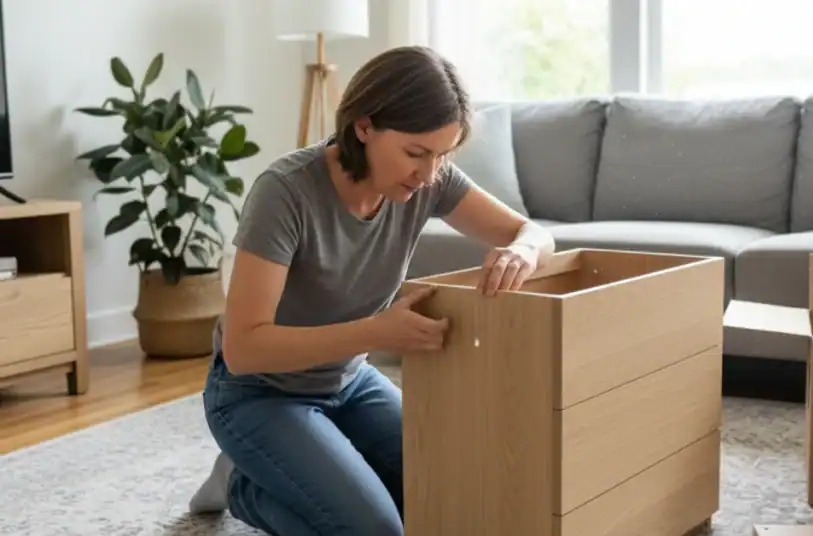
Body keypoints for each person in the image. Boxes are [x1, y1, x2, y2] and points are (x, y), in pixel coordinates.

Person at [186, 45, 556, 536]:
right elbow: (244, 348)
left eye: (442, 155)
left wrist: (523, 252)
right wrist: (377, 332)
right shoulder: (285, 192)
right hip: (258, 393)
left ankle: (293, 465)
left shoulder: (430, 179)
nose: (428, 175)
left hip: (348, 380)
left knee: (450, 495)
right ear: (364, 127)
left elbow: (533, 233)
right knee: (378, 531)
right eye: (416, 153)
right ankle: (241, 486)